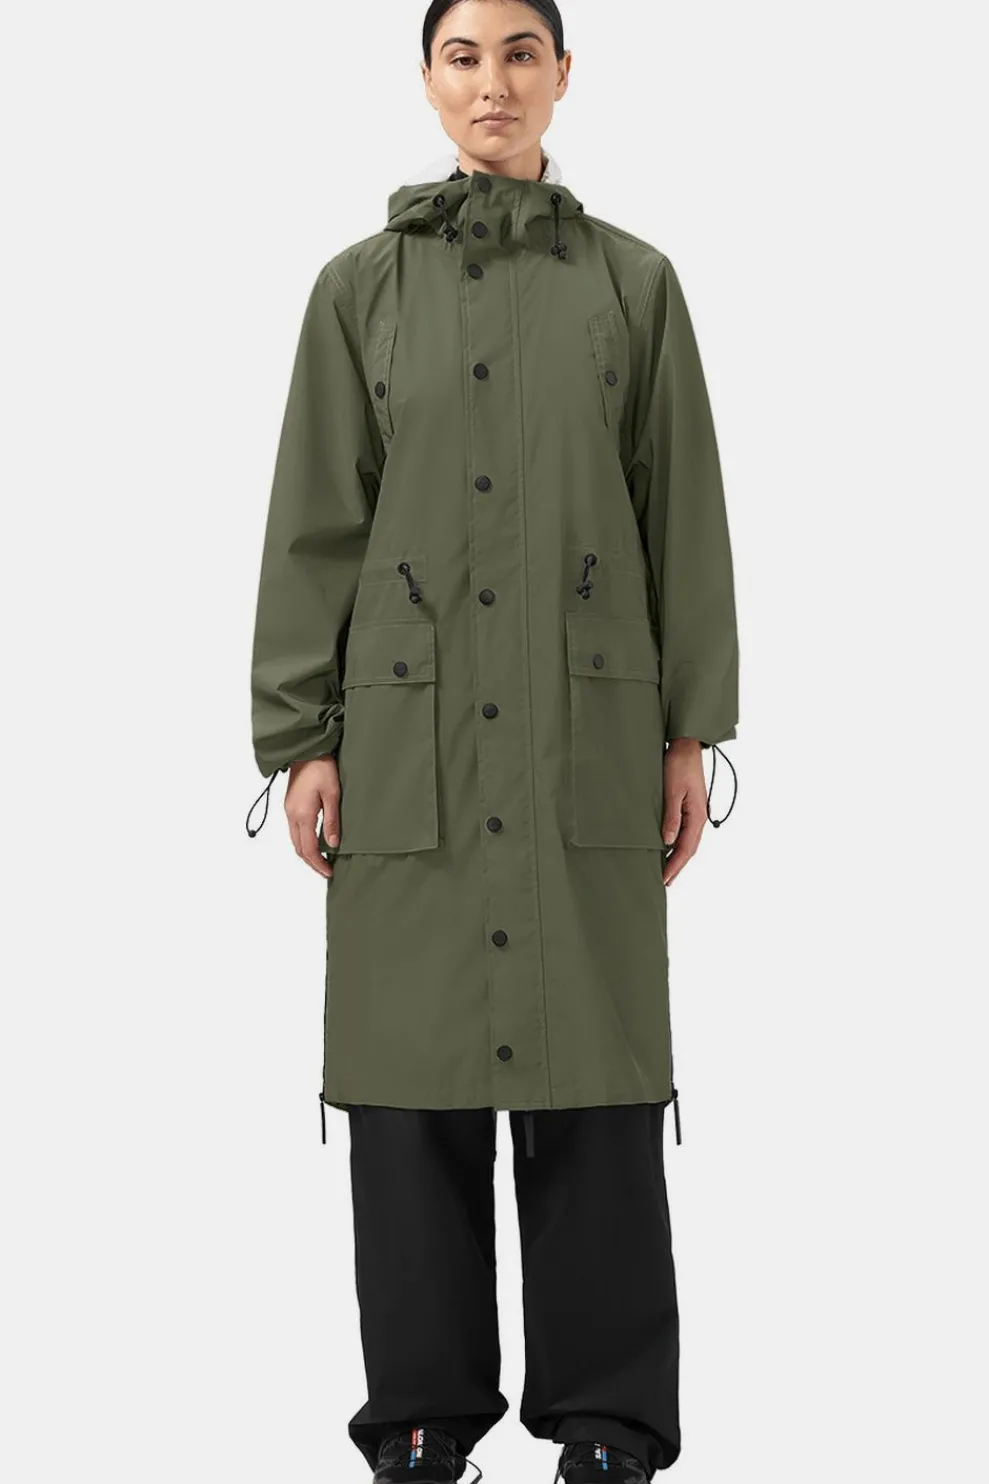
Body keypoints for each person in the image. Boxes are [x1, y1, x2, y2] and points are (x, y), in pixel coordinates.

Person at [245, 2, 739, 1479]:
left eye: (521, 53)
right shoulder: (358, 291)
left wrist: (689, 730)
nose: (494, 83)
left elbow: (682, 515)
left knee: (595, 1076)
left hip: (588, 736)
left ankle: (608, 1421)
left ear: (563, 75)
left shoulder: (635, 286)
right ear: (427, 81)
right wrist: (302, 736)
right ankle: (421, 1416)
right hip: (413, 748)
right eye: (464, 56)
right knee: (411, 1080)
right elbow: (315, 521)